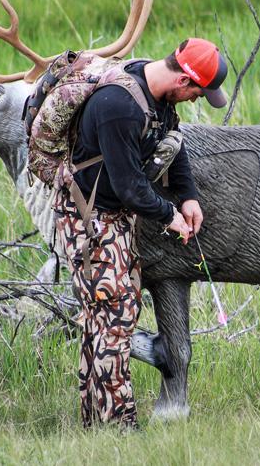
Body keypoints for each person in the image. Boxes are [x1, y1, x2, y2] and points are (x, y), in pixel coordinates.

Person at [54, 38, 228, 429]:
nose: (197, 100)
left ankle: (94, 423)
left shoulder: (159, 94)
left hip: (114, 215)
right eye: (198, 92)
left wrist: (188, 197)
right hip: (89, 218)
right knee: (114, 318)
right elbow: (131, 187)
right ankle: (120, 428)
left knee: (106, 317)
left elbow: (172, 141)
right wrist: (171, 216)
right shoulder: (118, 107)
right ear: (183, 79)